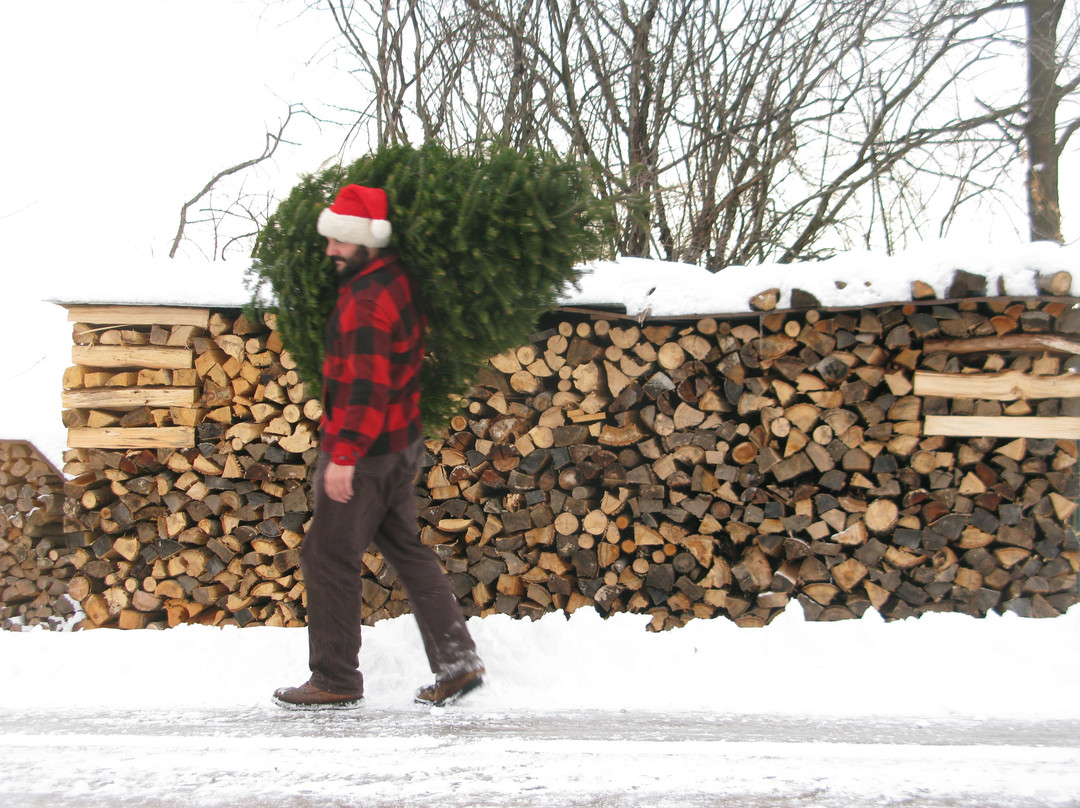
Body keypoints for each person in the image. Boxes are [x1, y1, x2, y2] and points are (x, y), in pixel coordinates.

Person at [273, 184, 484, 711]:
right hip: (399, 443)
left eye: (339, 242)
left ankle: (335, 678)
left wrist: (344, 455)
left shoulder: (367, 301)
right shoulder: (392, 281)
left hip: (366, 451)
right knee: (407, 553)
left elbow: (365, 389)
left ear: (365, 240)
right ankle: (457, 664)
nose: (330, 252)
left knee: (326, 556)